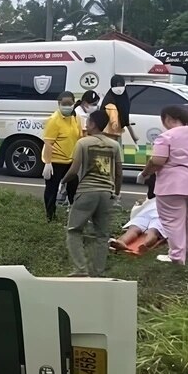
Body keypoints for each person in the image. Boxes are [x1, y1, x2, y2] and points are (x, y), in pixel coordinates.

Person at [139, 105, 188, 265]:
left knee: (172, 220)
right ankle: (187, 248)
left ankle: (177, 256)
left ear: (168, 118)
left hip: (173, 183)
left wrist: (145, 173)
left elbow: (157, 160)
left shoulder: (166, 136)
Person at [63, 110, 123, 278]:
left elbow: (74, 171)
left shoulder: (83, 143)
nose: (86, 125)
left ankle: (81, 269)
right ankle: (98, 272)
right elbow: (119, 173)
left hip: (87, 191)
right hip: (107, 193)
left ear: (94, 124)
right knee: (102, 235)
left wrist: (62, 181)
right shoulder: (114, 145)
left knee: (74, 231)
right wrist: (115, 193)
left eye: (88, 122)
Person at [41, 91, 82, 222]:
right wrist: (48, 163)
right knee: (52, 190)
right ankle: (50, 216)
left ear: (74, 103)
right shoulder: (54, 120)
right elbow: (48, 143)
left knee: (73, 189)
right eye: (64, 104)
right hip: (55, 161)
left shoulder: (75, 117)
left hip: (71, 161)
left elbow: (79, 137)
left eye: (70, 103)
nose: (67, 106)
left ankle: (75, 217)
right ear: (59, 104)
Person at [100, 75, 139, 145]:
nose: (119, 88)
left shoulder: (124, 98)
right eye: (117, 85)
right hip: (109, 135)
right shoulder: (109, 101)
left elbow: (125, 118)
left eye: (121, 85)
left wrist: (133, 136)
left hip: (118, 135)